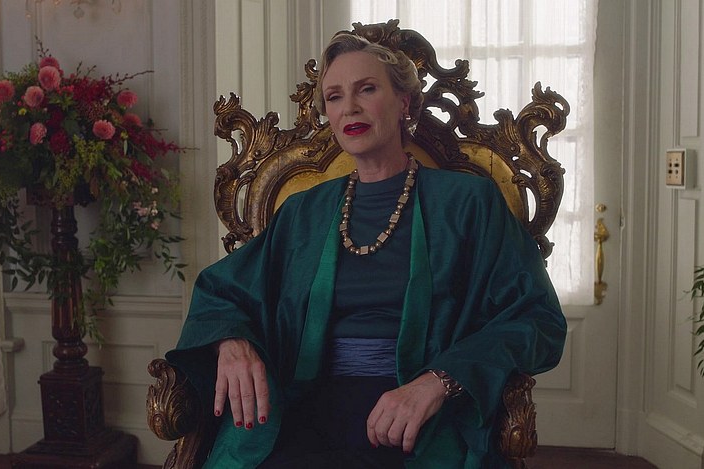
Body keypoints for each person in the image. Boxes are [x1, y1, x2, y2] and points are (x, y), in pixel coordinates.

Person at [166, 32, 566, 469]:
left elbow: (537, 318)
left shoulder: (469, 203)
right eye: (335, 97)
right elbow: (223, 290)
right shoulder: (304, 212)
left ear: (405, 103)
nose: (349, 108)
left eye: (367, 89)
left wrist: (439, 381)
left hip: (422, 414)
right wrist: (231, 341)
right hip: (306, 405)